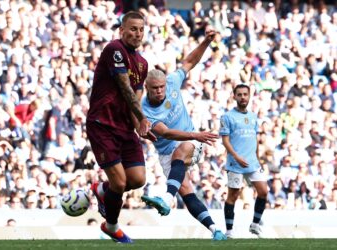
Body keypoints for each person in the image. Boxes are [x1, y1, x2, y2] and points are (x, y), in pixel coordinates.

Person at [140, 28, 227, 241]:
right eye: (155, 89)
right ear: (147, 88)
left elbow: (190, 62)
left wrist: (206, 42)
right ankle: (216, 230)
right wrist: (195, 135)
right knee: (187, 191)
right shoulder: (145, 111)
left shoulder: (172, 82)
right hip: (169, 149)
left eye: (161, 87)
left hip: (189, 143)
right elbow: (166, 133)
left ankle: (166, 198)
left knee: (181, 152)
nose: (159, 91)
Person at [86, 11, 156, 244]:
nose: (137, 33)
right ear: (122, 30)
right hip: (102, 124)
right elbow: (125, 88)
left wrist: (140, 127)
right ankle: (112, 226)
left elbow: (135, 96)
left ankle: (103, 191)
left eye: (141, 30)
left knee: (137, 179)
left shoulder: (143, 64)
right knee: (120, 183)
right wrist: (143, 117)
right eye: (133, 29)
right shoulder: (114, 49)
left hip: (124, 127)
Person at [219, 84, 268, 238]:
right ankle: (229, 231)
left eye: (245, 94)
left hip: (252, 163)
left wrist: (258, 159)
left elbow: (255, 140)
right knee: (233, 196)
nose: (242, 97)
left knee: (263, 192)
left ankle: (254, 224)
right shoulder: (227, 117)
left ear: (249, 96)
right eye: (239, 94)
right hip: (235, 164)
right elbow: (225, 141)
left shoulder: (253, 117)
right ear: (234, 96)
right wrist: (236, 156)